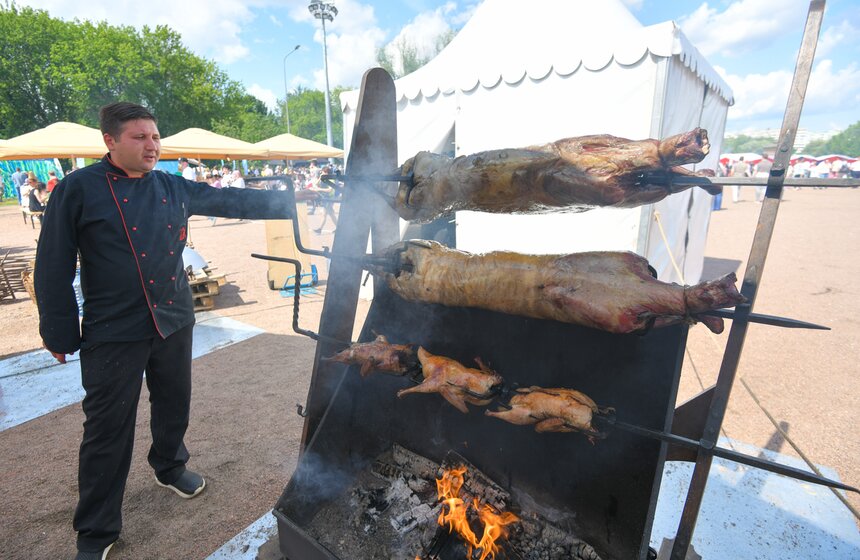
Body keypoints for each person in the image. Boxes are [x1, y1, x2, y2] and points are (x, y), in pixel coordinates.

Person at [33, 101, 300, 560]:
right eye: (139, 137)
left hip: (173, 317)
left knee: (174, 402)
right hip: (113, 328)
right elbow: (52, 262)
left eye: (155, 136)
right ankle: (96, 531)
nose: (152, 145)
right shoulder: (78, 189)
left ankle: (170, 466)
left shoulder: (171, 186)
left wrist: (296, 200)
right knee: (107, 428)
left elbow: (229, 201)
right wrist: (58, 331)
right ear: (110, 141)